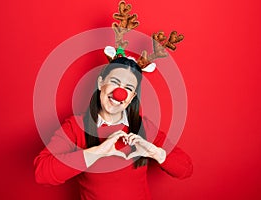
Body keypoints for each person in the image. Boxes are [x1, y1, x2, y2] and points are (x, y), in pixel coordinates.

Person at [34, 57, 193, 200]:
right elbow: (42, 173)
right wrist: (97, 152)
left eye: (129, 88)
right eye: (115, 82)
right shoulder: (75, 126)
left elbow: (186, 169)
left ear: (131, 98)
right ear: (100, 83)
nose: (120, 93)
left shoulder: (143, 126)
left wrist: (155, 152)